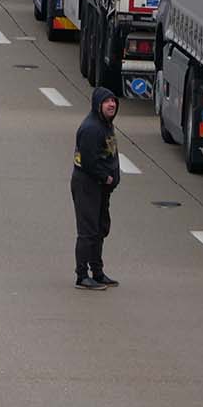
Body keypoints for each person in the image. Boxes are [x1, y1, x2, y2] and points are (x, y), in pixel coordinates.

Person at [72, 88, 121, 290]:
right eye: (107, 101)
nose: (112, 104)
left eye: (113, 101)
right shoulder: (92, 128)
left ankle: (98, 272)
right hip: (87, 185)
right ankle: (82, 275)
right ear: (97, 105)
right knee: (88, 231)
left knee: (100, 228)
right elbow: (89, 163)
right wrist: (106, 176)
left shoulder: (105, 125)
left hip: (101, 188)